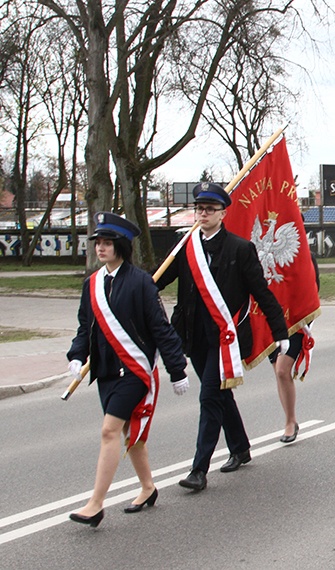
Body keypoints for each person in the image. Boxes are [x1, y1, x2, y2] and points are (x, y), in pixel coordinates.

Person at [157, 183, 289, 492]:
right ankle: (240, 447)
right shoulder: (186, 247)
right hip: (194, 336)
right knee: (218, 393)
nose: (203, 214)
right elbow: (159, 279)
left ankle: (198, 469)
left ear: (223, 213)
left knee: (209, 397)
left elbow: (262, 293)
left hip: (225, 339)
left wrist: (280, 332)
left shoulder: (240, 249)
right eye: (199, 209)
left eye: (209, 210)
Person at [67, 213, 188, 528]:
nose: (101, 248)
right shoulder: (91, 284)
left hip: (133, 372)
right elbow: (85, 327)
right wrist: (77, 356)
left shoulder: (140, 282)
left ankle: (95, 505)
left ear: (120, 245)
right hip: (106, 372)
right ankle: (148, 487)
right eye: (98, 243)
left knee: (109, 430)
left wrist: (177, 369)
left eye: (107, 243)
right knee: (127, 432)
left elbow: (160, 328)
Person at [269, 253, 319, 443]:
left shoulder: (307, 257)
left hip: (294, 322)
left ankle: (290, 421)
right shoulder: (267, 256)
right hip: (271, 320)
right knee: (278, 371)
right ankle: (290, 419)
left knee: (283, 370)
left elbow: (313, 291)